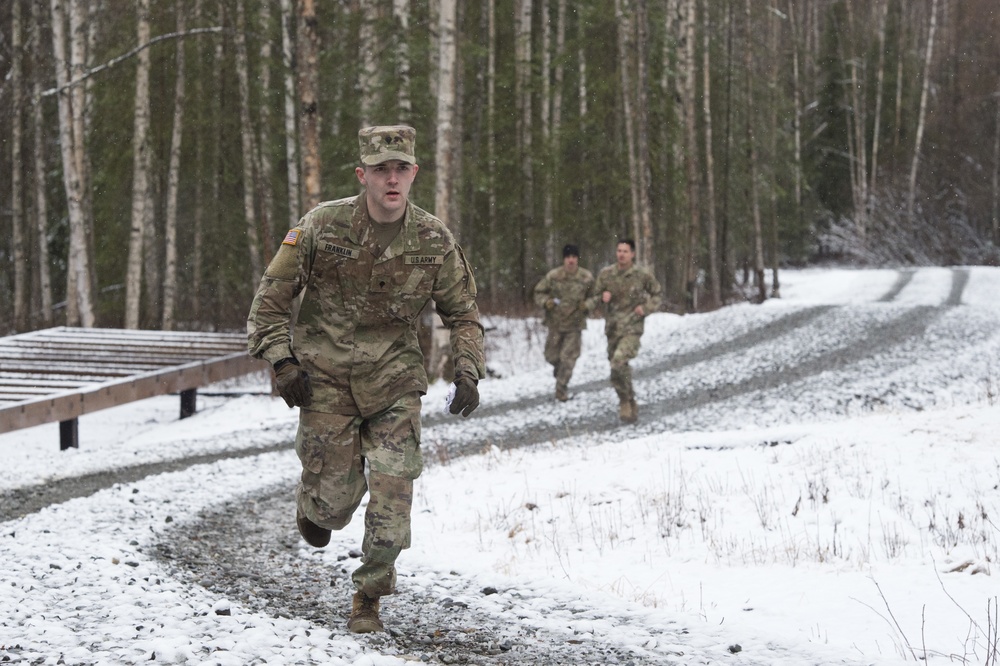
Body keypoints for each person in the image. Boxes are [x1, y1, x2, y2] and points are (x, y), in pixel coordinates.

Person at [247, 125, 485, 634]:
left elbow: (463, 314)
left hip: (394, 381)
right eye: (381, 170)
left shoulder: (433, 239)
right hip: (325, 380)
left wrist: (467, 368)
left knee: (394, 491)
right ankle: (315, 505)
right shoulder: (320, 227)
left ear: (414, 173)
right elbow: (269, 301)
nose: (392, 179)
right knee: (332, 509)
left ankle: (368, 598)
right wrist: (282, 362)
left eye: (401, 169)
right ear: (363, 175)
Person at [587, 238, 661, 424]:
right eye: (619, 251)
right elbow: (593, 298)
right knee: (617, 368)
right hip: (612, 328)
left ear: (633, 254)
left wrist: (646, 308)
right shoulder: (606, 274)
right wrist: (602, 298)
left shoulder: (642, 275)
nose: (621, 254)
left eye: (625, 251)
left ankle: (624, 403)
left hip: (632, 328)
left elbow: (657, 294)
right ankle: (629, 397)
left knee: (619, 362)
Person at [532, 244, 595, 401]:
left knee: (568, 358)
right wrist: (546, 302)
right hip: (555, 323)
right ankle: (560, 371)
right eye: (568, 257)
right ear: (564, 259)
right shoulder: (553, 276)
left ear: (577, 259)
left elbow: (595, 296)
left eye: (574, 257)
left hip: (575, 323)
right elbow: (538, 292)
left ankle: (561, 389)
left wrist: (587, 305)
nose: (571, 261)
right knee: (551, 356)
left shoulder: (586, 277)